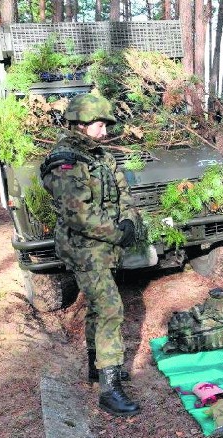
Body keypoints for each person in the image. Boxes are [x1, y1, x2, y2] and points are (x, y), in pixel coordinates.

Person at [40, 93, 142, 416]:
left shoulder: (100, 156)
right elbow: (78, 215)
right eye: (99, 126)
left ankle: (98, 368)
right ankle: (109, 391)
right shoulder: (65, 160)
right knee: (111, 308)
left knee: (99, 309)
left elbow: (123, 190)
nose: (105, 132)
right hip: (84, 250)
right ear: (81, 125)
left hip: (103, 247)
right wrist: (116, 233)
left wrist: (128, 220)